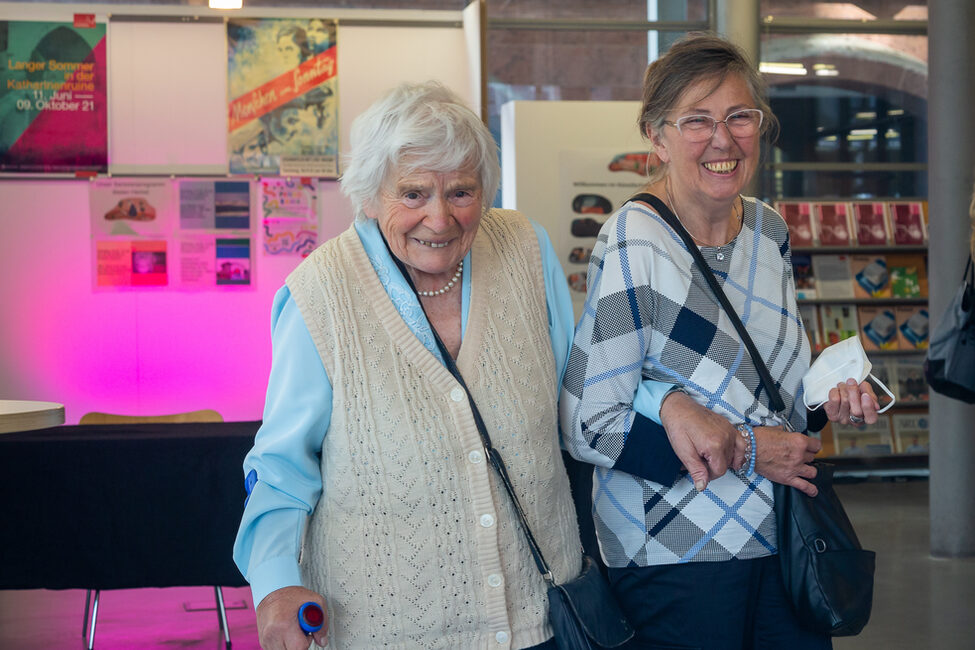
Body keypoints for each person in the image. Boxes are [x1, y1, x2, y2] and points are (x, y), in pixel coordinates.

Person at [234, 81, 589, 650]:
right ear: (371, 196)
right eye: (414, 193)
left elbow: (582, 392)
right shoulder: (320, 295)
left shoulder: (525, 248)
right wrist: (275, 584)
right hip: (391, 630)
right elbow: (281, 465)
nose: (440, 218)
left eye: (462, 192)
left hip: (541, 620)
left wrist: (668, 409)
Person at [559, 34, 880, 650]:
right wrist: (748, 451)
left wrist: (827, 399)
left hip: (784, 542)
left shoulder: (769, 231)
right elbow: (588, 423)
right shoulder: (636, 241)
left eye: (739, 117)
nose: (723, 140)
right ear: (657, 137)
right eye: (697, 121)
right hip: (675, 558)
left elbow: (778, 398)